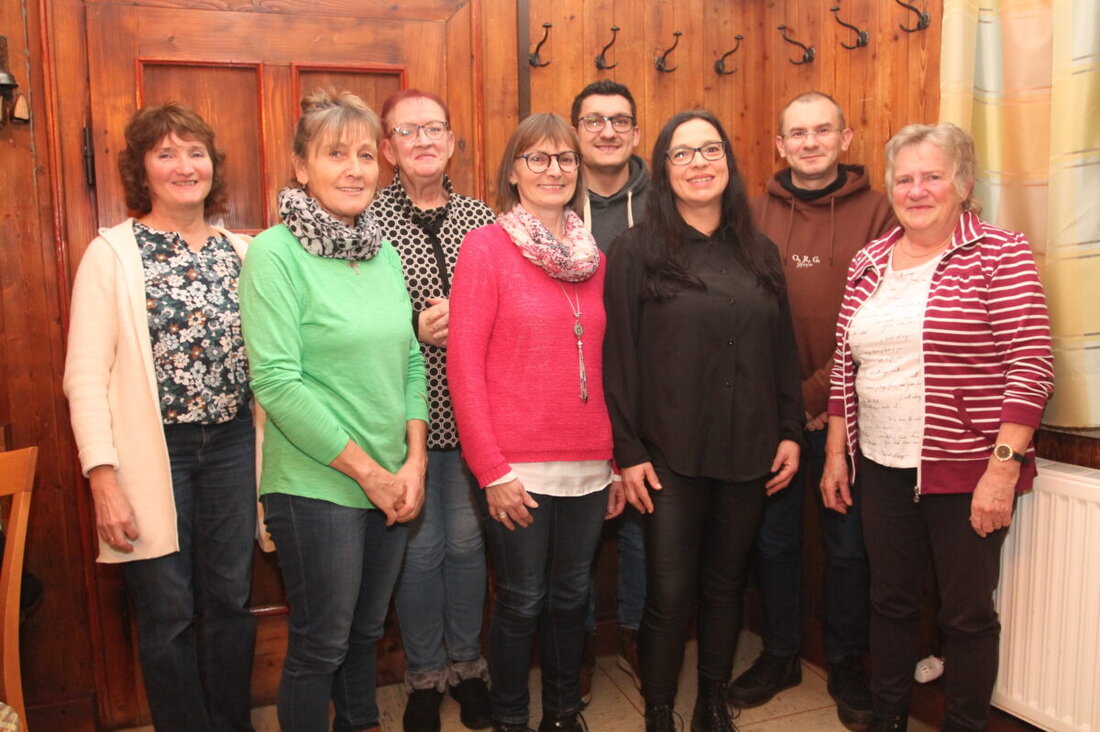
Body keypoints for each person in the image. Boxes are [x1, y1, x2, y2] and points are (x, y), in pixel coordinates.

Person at [820, 123, 1054, 731]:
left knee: (967, 615)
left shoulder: (1000, 252)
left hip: (969, 468)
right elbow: (845, 363)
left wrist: (1001, 470)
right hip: (881, 465)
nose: (917, 190)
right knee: (890, 602)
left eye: (933, 176)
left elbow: (1031, 366)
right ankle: (890, 716)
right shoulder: (869, 261)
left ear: (964, 184)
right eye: (905, 178)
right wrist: (837, 454)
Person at [603, 110, 804, 732]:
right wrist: (628, 450)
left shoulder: (760, 251)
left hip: (748, 450)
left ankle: (711, 703)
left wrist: (793, 432)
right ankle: (659, 708)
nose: (698, 163)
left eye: (709, 150)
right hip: (668, 456)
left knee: (725, 588)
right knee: (668, 593)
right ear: (664, 169)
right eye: (682, 153)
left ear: (728, 163)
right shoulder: (636, 250)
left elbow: (782, 354)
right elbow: (619, 359)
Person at [239, 89, 429, 732]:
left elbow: (409, 358)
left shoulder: (385, 253)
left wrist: (415, 461)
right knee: (321, 643)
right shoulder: (275, 253)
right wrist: (369, 474)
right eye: (335, 154)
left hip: (392, 478)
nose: (355, 169)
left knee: (366, 632)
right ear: (301, 166)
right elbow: (276, 382)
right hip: (318, 483)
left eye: (367, 155)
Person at [63, 103, 257, 731]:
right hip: (152, 455)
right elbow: (84, 376)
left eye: (195, 151)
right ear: (142, 168)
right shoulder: (111, 254)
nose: (184, 166)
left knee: (230, 601)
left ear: (212, 166)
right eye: (166, 153)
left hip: (231, 445)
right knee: (169, 611)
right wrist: (102, 476)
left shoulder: (244, 253)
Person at [447, 112, 623, 732]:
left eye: (565, 159)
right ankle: (512, 718)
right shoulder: (485, 248)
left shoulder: (594, 258)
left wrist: (613, 461)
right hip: (514, 465)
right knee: (523, 599)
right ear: (514, 172)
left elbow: (608, 367)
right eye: (538, 159)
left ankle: (562, 714)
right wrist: (491, 469)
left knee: (573, 597)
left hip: (588, 462)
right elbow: (464, 368)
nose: (554, 170)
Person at [731, 92, 896, 729]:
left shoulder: (882, 213)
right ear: (779, 144)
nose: (809, 142)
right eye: (796, 133)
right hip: (772, 418)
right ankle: (780, 654)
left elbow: (878, 318)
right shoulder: (750, 213)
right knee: (773, 544)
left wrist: (822, 398)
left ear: (845, 137)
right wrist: (786, 408)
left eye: (822, 130)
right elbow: (740, 317)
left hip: (853, 413)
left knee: (848, 547)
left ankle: (848, 660)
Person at [371, 88, 495, 732]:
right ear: (388, 148)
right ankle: (424, 678)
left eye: (435, 129)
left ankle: (468, 667)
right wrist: (410, 327)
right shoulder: (366, 221)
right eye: (407, 131)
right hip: (402, 417)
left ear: (451, 142)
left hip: (477, 415)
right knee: (419, 553)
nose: (423, 140)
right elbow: (352, 319)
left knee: (469, 545)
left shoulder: (484, 218)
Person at [569, 78, 649, 697]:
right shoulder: (548, 200)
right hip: (570, 390)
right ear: (575, 133)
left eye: (619, 120)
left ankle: (636, 633)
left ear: (636, 133)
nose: (607, 131)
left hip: (646, 390)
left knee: (645, 518)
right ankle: (577, 648)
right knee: (579, 527)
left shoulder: (663, 201)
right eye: (593, 120)